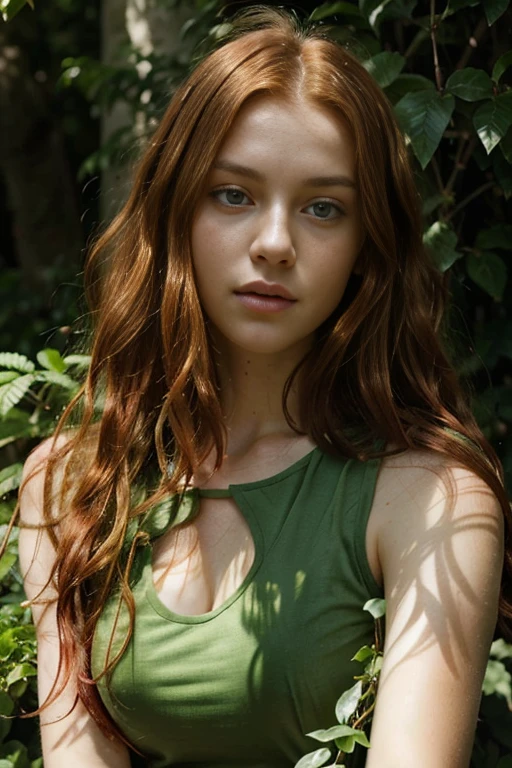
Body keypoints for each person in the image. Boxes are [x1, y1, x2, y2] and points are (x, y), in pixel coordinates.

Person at [16, 6, 511, 768]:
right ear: (176, 211)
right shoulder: (71, 484)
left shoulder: (429, 499)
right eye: (234, 194)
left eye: (323, 208)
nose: (275, 243)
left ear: (366, 244)